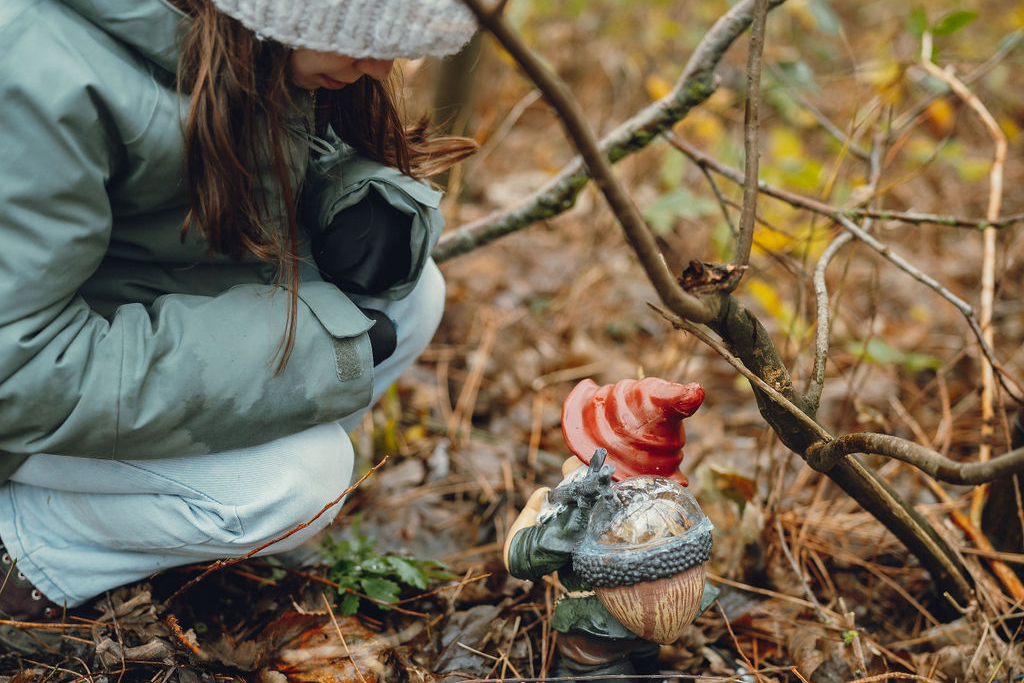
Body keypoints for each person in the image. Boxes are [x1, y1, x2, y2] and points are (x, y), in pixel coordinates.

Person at [0, 0, 477, 653]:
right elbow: (17, 371)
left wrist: (350, 196)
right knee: (300, 479)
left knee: (416, 298)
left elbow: (257, 146)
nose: (380, 65)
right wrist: (307, 357)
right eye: (360, 38)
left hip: (120, 312)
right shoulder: (35, 64)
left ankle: (176, 525)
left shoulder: (240, 35)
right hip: (25, 395)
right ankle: (30, 546)